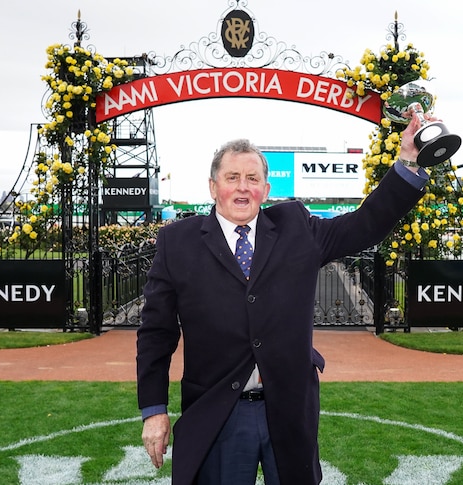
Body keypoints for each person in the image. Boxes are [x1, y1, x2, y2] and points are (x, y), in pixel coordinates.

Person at [136, 114, 433, 484]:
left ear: (266, 187)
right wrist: (154, 409)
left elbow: (365, 223)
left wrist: (407, 161)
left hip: (289, 408)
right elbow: (155, 333)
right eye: (232, 178)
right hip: (217, 412)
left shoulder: (297, 227)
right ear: (213, 187)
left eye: (252, 179)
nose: (242, 188)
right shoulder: (177, 242)